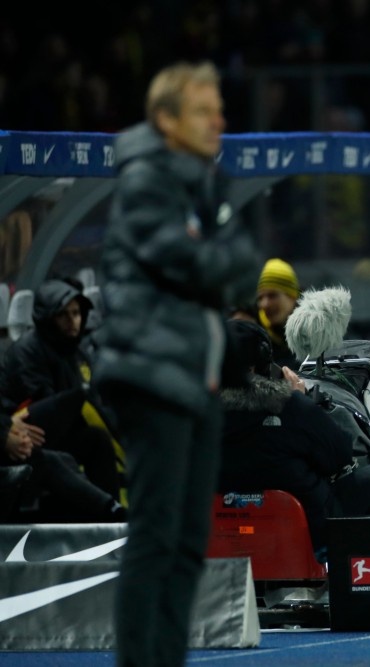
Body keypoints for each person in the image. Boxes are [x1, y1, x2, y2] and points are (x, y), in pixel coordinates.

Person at [91, 61, 260, 666]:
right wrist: (213, 256)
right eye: (202, 111)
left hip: (195, 382)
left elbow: (244, 263)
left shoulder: (200, 182)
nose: (219, 119)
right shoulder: (146, 181)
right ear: (166, 120)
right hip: (152, 378)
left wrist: (213, 255)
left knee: (188, 544)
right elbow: (194, 263)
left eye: (218, 108)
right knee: (157, 539)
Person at [219, 320, 370, 561]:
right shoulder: (288, 405)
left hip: (223, 539)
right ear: (259, 368)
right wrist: (303, 399)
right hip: (310, 538)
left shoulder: (195, 413)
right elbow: (340, 454)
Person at [0, 278, 122, 501]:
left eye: (76, 313)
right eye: (63, 314)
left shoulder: (76, 353)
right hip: (27, 429)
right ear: (49, 317)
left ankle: (112, 513)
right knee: (53, 459)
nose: (72, 321)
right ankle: (107, 512)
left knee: (97, 439)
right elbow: (42, 404)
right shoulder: (28, 350)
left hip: (51, 430)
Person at [256, 258, 301, 370]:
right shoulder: (258, 342)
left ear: (292, 296)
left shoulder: (320, 337)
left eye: (272, 295)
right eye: (260, 298)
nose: (264, 304)